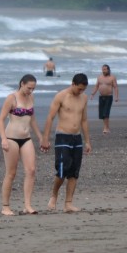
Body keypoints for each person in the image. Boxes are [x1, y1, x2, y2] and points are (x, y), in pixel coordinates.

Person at [41, 73, 92, 213]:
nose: (81, 92)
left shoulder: (84, 98)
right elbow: (50, 117)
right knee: (62, 170)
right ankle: (54, 195)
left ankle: (68, 203)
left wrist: (87, 141)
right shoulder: (61, 96)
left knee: (74, 172)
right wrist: (45, 138)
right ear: (73, 84)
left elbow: (84, 120)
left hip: (77, 138)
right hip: (62, 136)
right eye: (79, 89)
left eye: (83, 89)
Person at [0, 74, 44, 216]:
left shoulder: (31, 98)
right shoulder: (12, 98)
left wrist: (41, 137)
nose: (30, 91)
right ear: (22, 84)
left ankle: (28, 205)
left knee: (31, 170)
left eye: (33, 89)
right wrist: (3, 139)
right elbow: (0, 120)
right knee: (11, 173)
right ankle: (5, 206)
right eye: (29, 88)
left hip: (26, 138)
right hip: (11, 138)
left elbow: (32, 119)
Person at [90, 64, 119, 133]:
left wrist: (116, 96)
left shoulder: (112, 77)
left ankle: (105, 128)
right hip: (101, 97)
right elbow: (96, 86)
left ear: (108, 70)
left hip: (109, 97)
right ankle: (107, 128)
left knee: (106, 113)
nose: (103, 71)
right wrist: (92, 94)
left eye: (105, 69)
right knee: (102, 114)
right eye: (102, 69)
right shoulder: (99, 77)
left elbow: (115, 87)